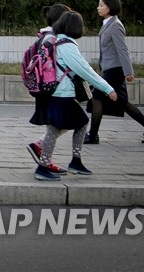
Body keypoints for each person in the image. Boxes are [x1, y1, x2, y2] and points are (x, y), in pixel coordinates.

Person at [28, 11, 116, 181]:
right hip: (62, 94)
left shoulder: (54, 40)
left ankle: (72, 162)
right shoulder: (67, 45)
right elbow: (85, 70)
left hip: (53, 92)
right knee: (59, 128)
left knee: (79, 122)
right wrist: (107, 89)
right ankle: (44, 167)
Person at [84, 0, 144, 145]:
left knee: (97, 97)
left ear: (109, 7)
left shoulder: (116, 25)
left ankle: (93, 135)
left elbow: (122, 49)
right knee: (122, 102)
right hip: (109, 69)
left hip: (115, 70)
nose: (98, 7)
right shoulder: (107, 23)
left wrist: (128, 71)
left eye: (101, 5)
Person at [26, 3, 71, 176]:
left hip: (48, 89)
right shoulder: (52, 39)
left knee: (64, 124)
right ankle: (44, 164)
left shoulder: (46, 36)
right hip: (55, 90)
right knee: (71, 122)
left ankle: (43, 158)